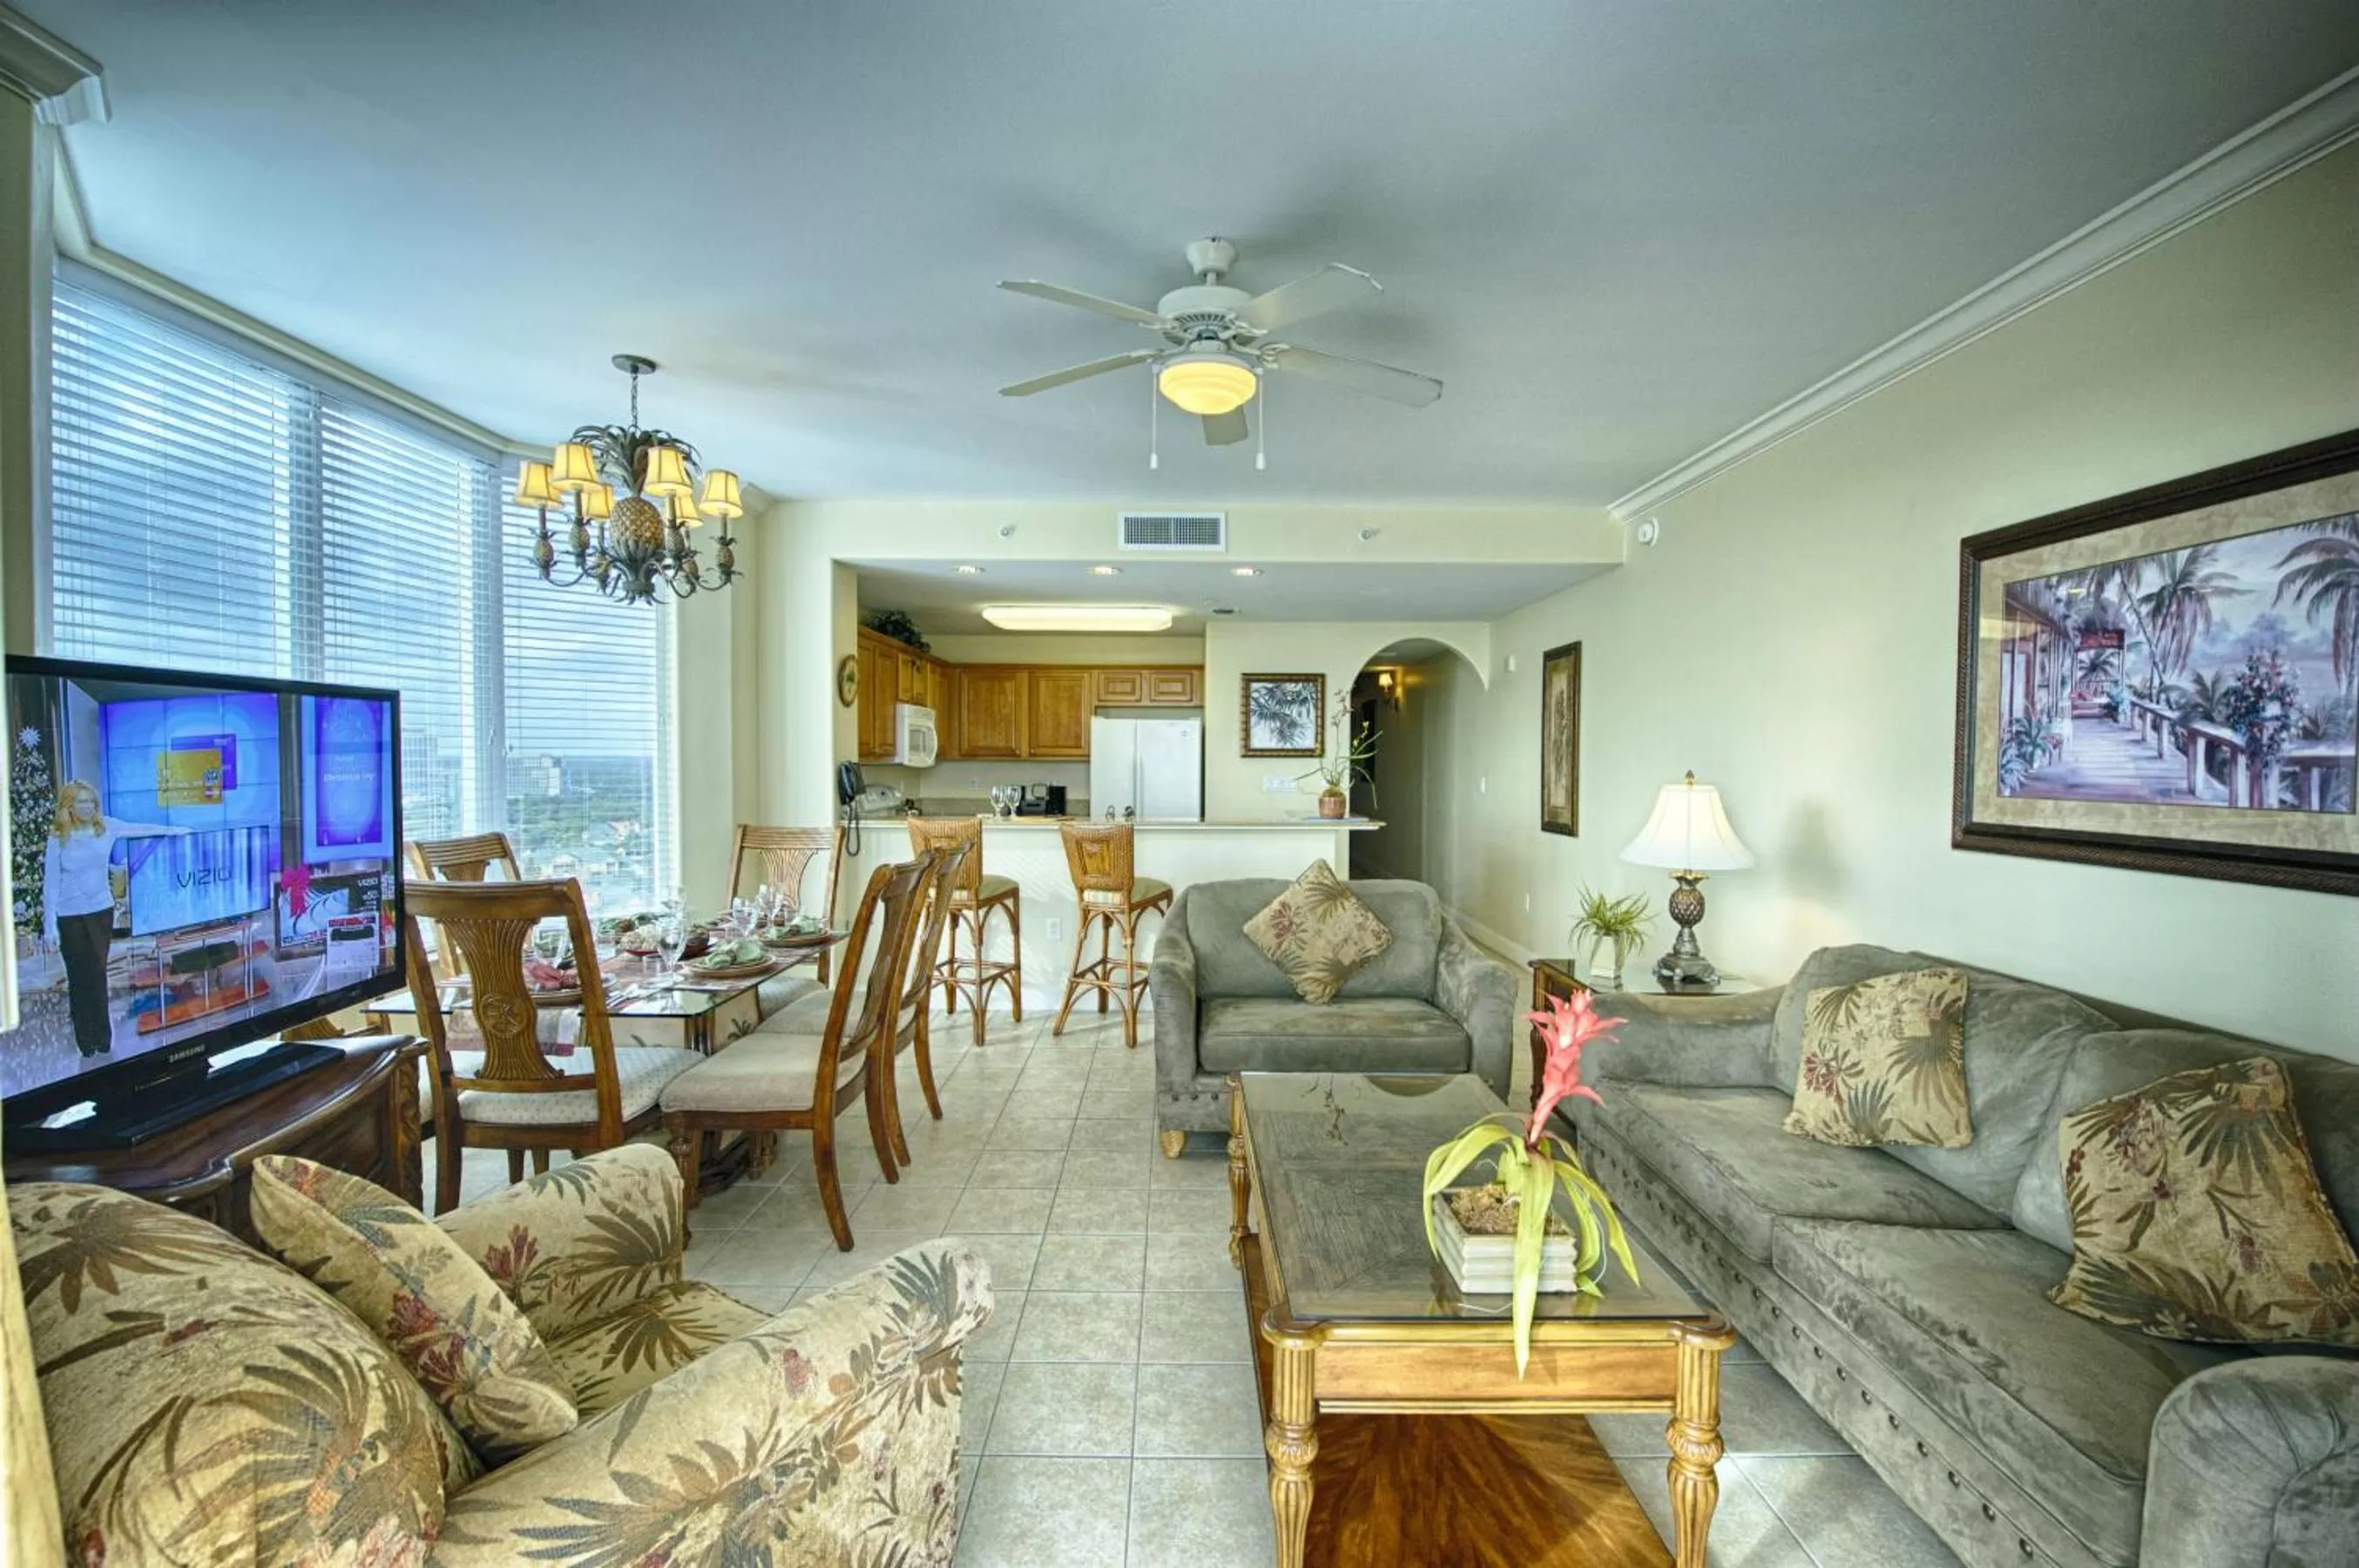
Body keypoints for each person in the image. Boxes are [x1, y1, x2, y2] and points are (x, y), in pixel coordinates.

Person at [43, 781, 188, 1058]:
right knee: (79, 978)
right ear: (69, 806)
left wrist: (174, 831)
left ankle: (102, 1038)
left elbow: (141, 828)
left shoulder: (106, 826)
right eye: (81, 802)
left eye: (91, 802)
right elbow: (50, 884)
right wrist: (50, 925)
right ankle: (85, 1040)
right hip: (69, 916)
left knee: (97, 974)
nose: (87, 807)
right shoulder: (58, 835)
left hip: (100, 911)